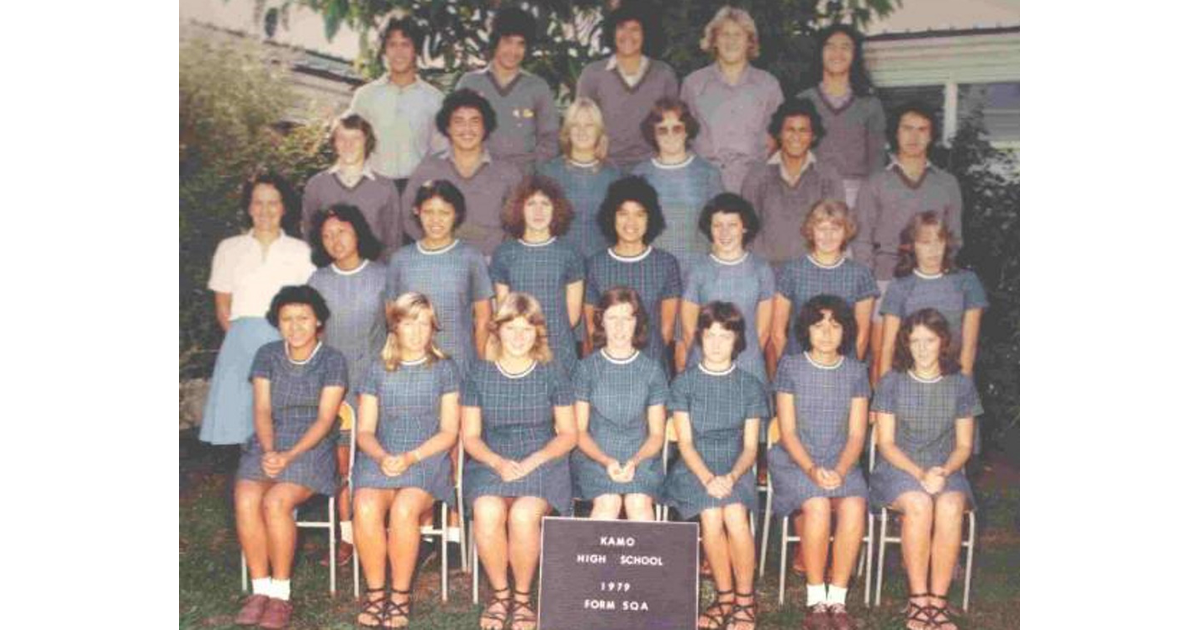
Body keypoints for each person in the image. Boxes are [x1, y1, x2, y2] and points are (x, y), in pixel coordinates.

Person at [232, 286, 348, 630]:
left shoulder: (332, 360)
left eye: (303, 318)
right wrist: (269, 451)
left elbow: (326, 419)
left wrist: (289, 455)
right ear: (277, 323)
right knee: (246, 497)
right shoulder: (267, 355)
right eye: (287, 319)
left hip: (312, 444)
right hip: (270, 439)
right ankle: (260, 589)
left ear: (318, 322)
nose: (295, 327)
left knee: (277, 502)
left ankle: (280, 595)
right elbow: (262, 408)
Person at [462, 293, 578, 630]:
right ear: (497, 330)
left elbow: (568, 434)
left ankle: (523, 599)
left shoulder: (552, 372)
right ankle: (500, 595)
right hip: (492, 458)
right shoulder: (479, 374)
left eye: (527, 329)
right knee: (487, 510)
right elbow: (470, 437)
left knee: (524, 514)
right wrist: (498, 463)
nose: (518, 337)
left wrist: (533, 460)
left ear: (538, 333)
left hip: (542, 458)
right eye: (510, 328)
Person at [351, 292, 461, 629]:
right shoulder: (376, 369)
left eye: (424, 323)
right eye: (408, 322)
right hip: (382, 455)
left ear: (433, 328)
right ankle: (375, 594)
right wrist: (384, 456)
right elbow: (365, 431)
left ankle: (399, 596)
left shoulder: (445, 368)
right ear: (395, 326)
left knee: (403, 509)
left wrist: (411, 457)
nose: (416, 331)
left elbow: (448, 432)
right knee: (366, 504)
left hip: (427, 458)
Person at [871, 308, 982, 630]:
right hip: (899, 468)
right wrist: (920, 474)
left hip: (947, 469)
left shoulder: (960, 383)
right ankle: (918, 601)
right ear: (906, 344)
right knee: (919, 504)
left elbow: (964, 445)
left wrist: (943, 472)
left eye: (929, 340)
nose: (921, 348)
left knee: (949, 505)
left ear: (943, 342)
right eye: (914, 341)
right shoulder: (891, 381)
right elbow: (886, 444)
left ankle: (939, 602)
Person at [767, 295, 868, 630]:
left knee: (853, 505)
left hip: (841, 461)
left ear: (846, 332)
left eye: (835, 325)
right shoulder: (791, 367)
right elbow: (789, 430)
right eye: (818, 324)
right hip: (796, 460)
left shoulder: (856, 371)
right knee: (818, 505)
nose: (826, 333)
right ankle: (815, 600)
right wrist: (812, 469)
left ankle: (837, 601)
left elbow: (856, 435)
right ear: (805, 329)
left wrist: (839, 470)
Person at [665, 302, 767, 630]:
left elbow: (751, 447)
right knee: (711, 514)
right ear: (699, 338)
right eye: (710, 335)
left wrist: (732, 476)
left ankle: (745, 599)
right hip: (695, 467)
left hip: (735, 464)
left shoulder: (751, 385)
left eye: (726, 336)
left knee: (735, 515)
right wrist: (709, 478)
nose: (717, 343)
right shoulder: (684, 383)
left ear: (738, 340)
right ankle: (724, 597)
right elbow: (685, 444)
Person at [201, 172, 315, 446]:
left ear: (284, 207)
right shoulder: (229, 249)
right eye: (258, 203)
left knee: (283, 421)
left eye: (273, 203)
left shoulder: (301, 251)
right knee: (244, 423)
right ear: (249, 207)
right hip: (240, 343)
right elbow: (223, 306)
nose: (265, 210)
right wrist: (243, 343)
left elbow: (310, 306)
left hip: (287, 341)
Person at [852, 101, 964, 379]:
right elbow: (862, 239)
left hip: (931, 279)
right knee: (883, 355)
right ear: (896, 133)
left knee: (930, 354)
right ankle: (880, 418)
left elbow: (955, 239)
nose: (914, 137)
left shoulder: (946, 183)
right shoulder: (876, 182)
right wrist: (870, 286)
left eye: (922, 129)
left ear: (931, 136)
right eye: (907, 128)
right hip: (885, 278)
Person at [306, 204, 388, 567]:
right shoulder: (317, 282)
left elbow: (395, 332)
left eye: (341, 231)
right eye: (326, 235)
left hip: (376, 385)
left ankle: (384, 533)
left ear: (358, 232)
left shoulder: (384, 276)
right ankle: (347, 539)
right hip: (335, 387)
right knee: (342, 464)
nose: (335, 240)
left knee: (375, 462)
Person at [571, 286, 669, 520]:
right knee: (607, 503)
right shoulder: (586, 369)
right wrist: (607, 461)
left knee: (638, 504)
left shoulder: (652, 370)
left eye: (627, 319)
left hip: (642, 456)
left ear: (637, 323)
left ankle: (645, 558)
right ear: (601, 322)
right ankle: (595, 557)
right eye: (612, 318)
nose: (619, 327)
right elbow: (580, 432)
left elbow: (656, 435)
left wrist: (634, 462)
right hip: (595, 456)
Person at [387, 180, 493, 379]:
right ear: (416, 211)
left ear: (457, 214)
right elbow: (392, 317)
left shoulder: (471, 257)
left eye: (444, 213)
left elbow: (483, 319)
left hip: (459, 362)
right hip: (414, 363)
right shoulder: (400, 259)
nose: (436, 220)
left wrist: (482, 365)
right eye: (428, 212)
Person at [400, 89, 523, 257]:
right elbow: (407, 214)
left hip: (492, 262)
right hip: (439, 259)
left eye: (474, 121)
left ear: (485, 127)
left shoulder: (507, 172)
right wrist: (432, 245)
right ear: (448, 127)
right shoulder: (429, 169)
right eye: (458, 121)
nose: (467, 129)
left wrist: (503, 257)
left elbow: (519, 221)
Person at [490, 175, 585, 376]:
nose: (538, 211)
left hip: (559, 347)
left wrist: (546, 340)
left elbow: (573, 315)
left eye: (545, 204)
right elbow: (503, 308)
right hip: (517, 347)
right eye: (531, 204)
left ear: (556, 209)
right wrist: (522, 339)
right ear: (519, 209)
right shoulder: (504, 253)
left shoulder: (570, 253)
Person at [583, 176, 681, 371]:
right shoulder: (595, 264)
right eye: (623, 214)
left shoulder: (666, 263)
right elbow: (592, 328)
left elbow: (666, 330)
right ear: (611, 217)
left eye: (640, 214)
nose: (631, 222)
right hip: (606, 368)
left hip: (651, 366)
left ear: (650, 219)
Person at [681, 5, 783, 192]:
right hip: (703, 181)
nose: (731, 41)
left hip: (754, 182)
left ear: (750, 42)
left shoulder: (768, 85)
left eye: (738, 35)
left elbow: (779, 139)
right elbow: (682, 137)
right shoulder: (693, 84)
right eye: (724, 34)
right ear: (713, 41)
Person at [680, 193, 773, 393]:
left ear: (744, 227)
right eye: (717, 225)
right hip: (705, 363)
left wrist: (739, 362)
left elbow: (763, 332)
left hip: (748, 363)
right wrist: (712, 362)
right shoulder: (697, 269)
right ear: (709, 229)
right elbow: (689, 330)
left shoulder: (761, 269)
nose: (724, 232)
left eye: (732, 225)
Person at [878, 211, 987, 380]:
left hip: (951, 375)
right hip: (908, 376)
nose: (933, 250)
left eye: (939, 241)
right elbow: (887, 347)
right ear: (912, 245)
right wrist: (883, 395)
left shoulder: (967, 282)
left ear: (947, 243)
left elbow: (969, 345)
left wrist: (962, 386)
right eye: (925, 243)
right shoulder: (899, 285)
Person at [771, 200, 876, 370]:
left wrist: (848, 369)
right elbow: (777, 331)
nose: (828, 236)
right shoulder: (791, 271)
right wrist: (789, 368)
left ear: (846, 232)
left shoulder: (860, 274)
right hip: (797, 363)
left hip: (842, 366)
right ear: (811, 231)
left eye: (835, 229)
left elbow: (862, 334)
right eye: (822, 229)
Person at [349, 16, 447, 196]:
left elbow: (441, 153)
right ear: (384, 50)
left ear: (416, 49)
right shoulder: (365, 96)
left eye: (405, 44)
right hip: (372, 188)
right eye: (392, 44)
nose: (399, 52)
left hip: (417, 191)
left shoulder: (435, 100)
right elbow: (351, 146)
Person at [741, 97, 845, 267]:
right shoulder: (757, 176)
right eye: (790, 129)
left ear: (813, 135)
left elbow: (835, 228)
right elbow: (746, 230)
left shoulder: (828, 176)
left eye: (803, 130)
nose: (796, 137)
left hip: (813, 269)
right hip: (766, 270)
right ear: (779, 133)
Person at [576, 4, 679, 171]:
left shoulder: (664, 74)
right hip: (604, 166)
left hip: (653, 166)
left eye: (635, 29)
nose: (627, 35)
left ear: (646, 33)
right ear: (612, 32)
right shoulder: (592, 74)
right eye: (621, 28)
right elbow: (581, 121)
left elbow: (673, 124)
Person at [631, 97, 725, 280]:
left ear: (687, 131)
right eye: (662, 130)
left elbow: (720, 227)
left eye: (677, 128)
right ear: (653, 134)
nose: (670, 135)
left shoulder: (707, 173)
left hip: (698, 272)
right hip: (653, 273)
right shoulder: (640, 174)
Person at [456, 7, 559, 173]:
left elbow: (550, 139)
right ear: (495, 42)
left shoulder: (537, 87)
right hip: (479, 177)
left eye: (520, 44)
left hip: (523, 181)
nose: (513, 51)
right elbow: (454, 133)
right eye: (507, 42)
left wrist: (533, 174)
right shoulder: (470, 84)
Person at [795, 24, 887, 208]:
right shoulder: (803, 101)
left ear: (854, 56)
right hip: (812, 193)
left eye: (845, 47)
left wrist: (870, 203)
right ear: (820, 53)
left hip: (857, 197)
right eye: (830, 46)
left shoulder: (870, 105)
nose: (837, 53)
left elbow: (877, 163)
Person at [301, 114, 405, 258]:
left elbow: (393, 242)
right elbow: (309, 237)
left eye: (356, 138)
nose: (348, 145)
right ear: (334, 143)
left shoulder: (386, 188)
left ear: (366, 142)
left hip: (373, 275)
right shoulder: (317, 185)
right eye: (342, 138)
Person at [537, 97, 623, 261]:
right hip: (558, 263)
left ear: (599, 131)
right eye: (575, 125)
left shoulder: (614, 175)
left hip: (602, 264)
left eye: (589, 125)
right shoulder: (549, 173)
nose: (582, 131)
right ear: (567, 131)